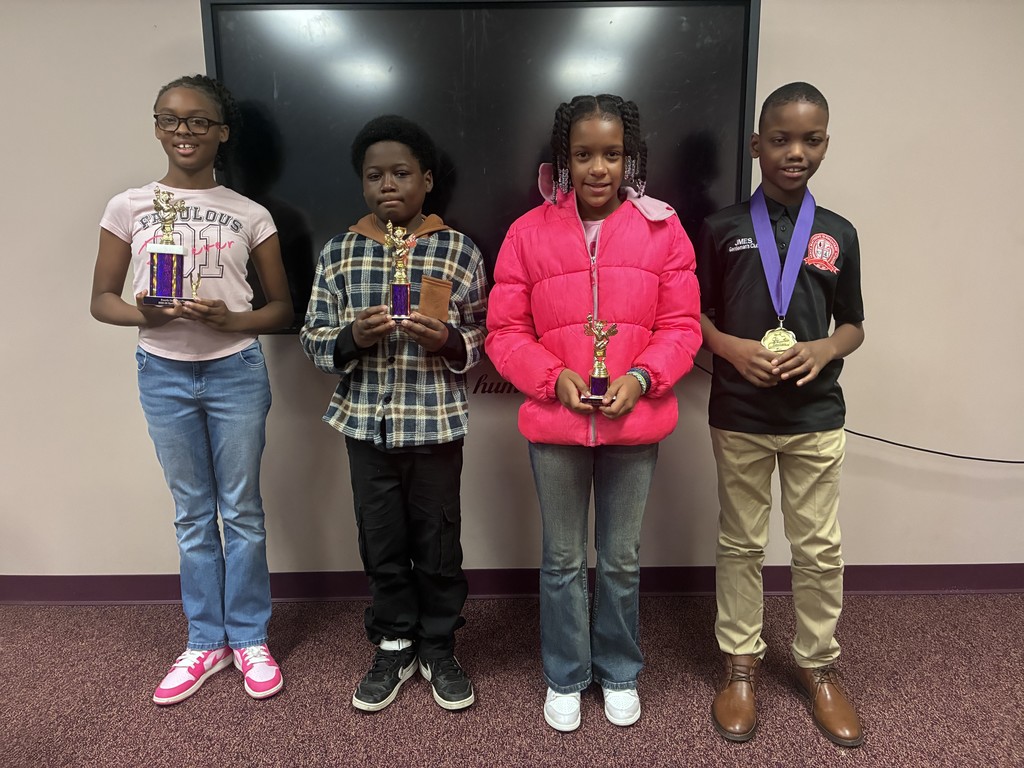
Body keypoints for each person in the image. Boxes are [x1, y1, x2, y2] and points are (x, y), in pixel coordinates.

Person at [486, 94, 702, 731]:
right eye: (583, 154)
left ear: (630, 158)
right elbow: (503, 332)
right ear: (564, 159)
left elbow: (682, 325)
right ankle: (565, 673)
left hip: (634, 423)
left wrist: (643, 375)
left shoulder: (664, 228)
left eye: (612, 154)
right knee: (559, 559)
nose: (598, 168)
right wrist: (554, 380)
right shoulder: (528, 232)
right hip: (556, 425)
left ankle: (619, 671)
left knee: (620, 559)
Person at [90, 74, 292, 704]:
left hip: (235, 369)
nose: (184, 131)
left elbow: (282, 308)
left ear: (222, 132)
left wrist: (235, 320)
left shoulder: (251, 214)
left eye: (199, 121)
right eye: (171, 119)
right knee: (192, 514)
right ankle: (205, 640)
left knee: (242, 512)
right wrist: (144, 314)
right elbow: (101, 301)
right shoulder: (128, 206)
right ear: (156, 127)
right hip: (164, 372)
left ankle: (250, 636)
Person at [695, 81, 866, 747]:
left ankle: (818, 665)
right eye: (782, 139)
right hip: (738, 412)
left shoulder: (839, 233)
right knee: (740, 542)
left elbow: (853, 324)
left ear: (826, 144)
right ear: (756, 145)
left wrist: (824, 347)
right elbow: (696, 315)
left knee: (818, 546)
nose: (796, 152)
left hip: (816, 415)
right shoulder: (721, 227)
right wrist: (731, 346)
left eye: (812, 139)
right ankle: (740, 664)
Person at [300, 115, 487, 713]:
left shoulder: (459, 249)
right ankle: (393, 639)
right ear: (362, 185)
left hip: (435, 426)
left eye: (401, 173)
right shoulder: (340, 252)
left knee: (438, 541)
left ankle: (438, 643)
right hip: (365, 426)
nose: (388, 185)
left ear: (426, 181)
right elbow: (312, 337)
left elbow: (487, 331)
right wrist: (351, 336)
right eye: (374, 175)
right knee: (380, 540)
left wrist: (451, 342)